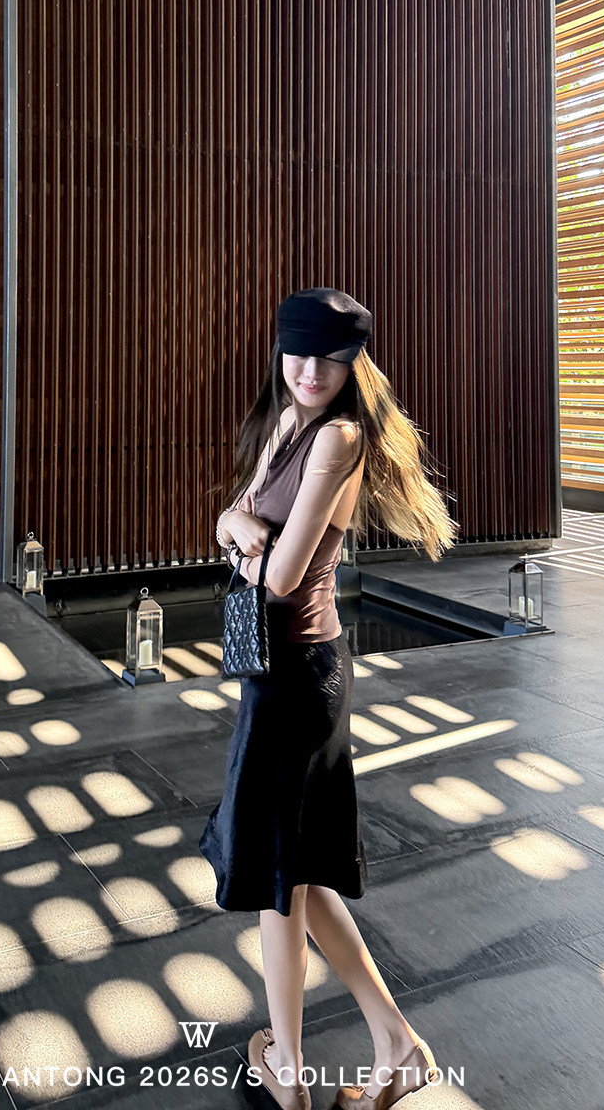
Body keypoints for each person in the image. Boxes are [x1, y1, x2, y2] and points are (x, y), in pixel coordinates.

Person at [199, 287, 459, 1110]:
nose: (311, 371)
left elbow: (278, 578)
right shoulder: (286, 422)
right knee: (298, 878)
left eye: (331, 358)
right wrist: (236, 528)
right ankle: (396, 1045)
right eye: (299, 353)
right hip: (278, 673)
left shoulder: (338, 438)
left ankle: (286, 1065)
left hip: (300, 676)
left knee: (281, 881)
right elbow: (235, 516)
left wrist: (239, 538)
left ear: (353, 364)